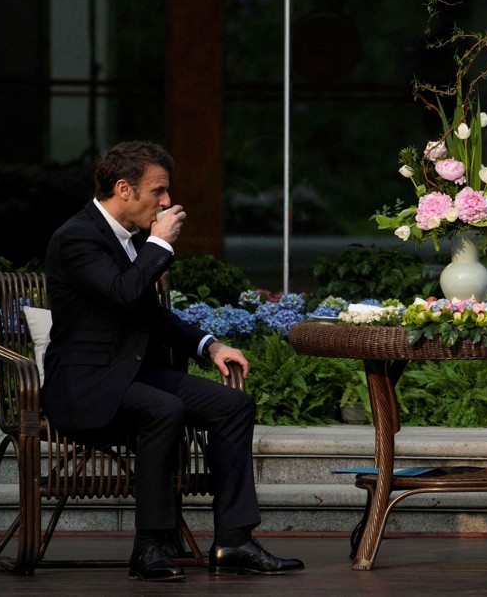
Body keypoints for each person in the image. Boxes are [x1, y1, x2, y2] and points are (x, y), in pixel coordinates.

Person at [42, 141, 303, 581]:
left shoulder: (130, 242)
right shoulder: (76, 237)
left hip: (130, 379)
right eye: (158, 191)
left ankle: (234, 541)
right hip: (84, 386)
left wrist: (210, 346)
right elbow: (124, 294)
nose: (167, 202)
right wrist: (159, 244)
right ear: (124, 189)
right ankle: (150, 546)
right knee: (164, 408)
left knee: (233, 405)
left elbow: (148, 313)